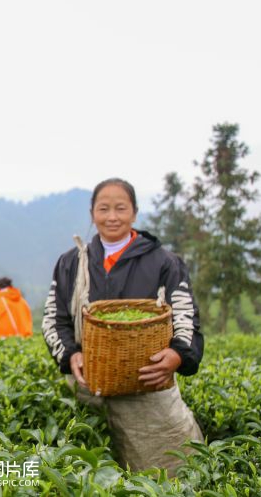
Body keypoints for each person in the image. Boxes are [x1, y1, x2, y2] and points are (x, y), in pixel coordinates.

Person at [41, 177, 203, 475]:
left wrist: (178, 355)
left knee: (168, 476)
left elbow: (185, 316)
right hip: (89, 390)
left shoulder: (164, 262)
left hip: (148, 396)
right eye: (104, 209)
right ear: (92, 214)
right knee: (90, 477)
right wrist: (71, 355)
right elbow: (54, 318)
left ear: (135, 213)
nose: (112, 217)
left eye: (120, 208)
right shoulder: (71, 263)